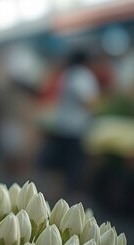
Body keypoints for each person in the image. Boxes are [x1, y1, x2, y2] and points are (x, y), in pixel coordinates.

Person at [40, 50, 99, 196]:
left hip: (61, 124)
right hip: (74, 128)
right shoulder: (82, 76)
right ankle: (65, 196)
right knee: (70, 164)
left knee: (57, 162)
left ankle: (53, 193)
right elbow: (86, 101)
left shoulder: (67, 73)